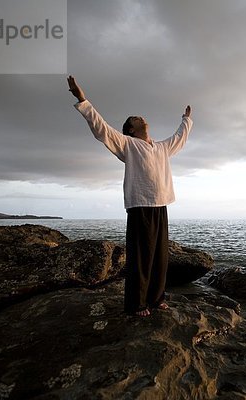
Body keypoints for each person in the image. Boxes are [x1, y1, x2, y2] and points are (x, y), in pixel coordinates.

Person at [67, 75, 193, 317]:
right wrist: (82, 99)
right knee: (140, 257)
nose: (141, 118)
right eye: (136, 119)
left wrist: (186, 119)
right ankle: (137, 303)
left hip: (160, 205)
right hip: (139, 206)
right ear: (131, 129)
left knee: (159, 256)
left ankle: (156, 299)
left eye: (141, 117)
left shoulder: (161, 147)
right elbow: (100, 128)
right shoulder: (127, 144)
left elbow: (179, 138)